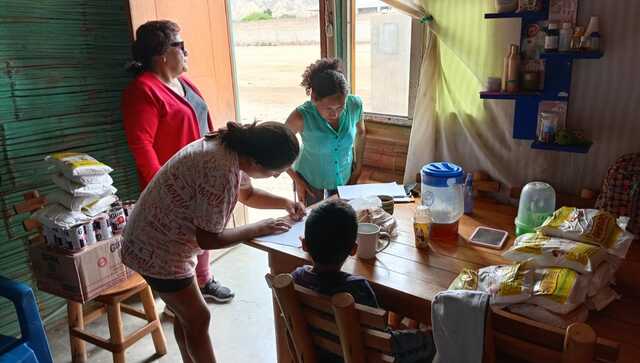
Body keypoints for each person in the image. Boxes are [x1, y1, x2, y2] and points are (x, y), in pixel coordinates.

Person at [122, 121, 305, 363]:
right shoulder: (220, 170)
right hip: (158, 249)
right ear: (257, 162)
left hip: (154, 237)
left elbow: (248, 194)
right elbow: (208, 238)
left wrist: (285, 203)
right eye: (275, 172)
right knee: (198, 318)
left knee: (185, 315)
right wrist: (259, 227)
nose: (276, 177)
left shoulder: (234, 148)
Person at [121, 20, 233, 304]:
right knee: (183, 238)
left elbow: (203, 119)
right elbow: (141, 144)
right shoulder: (143, 90)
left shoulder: (184, 82)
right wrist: (161, 187)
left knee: (205, 225)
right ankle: (182, 294)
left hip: (200, 172)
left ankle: (204, 280)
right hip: (173, 182)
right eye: (180, 46)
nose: (186, 52)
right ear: (161, 53)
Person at [292, 200, 435, 363]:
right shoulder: (357, 289)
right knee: (432, 341)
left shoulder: (296, 279)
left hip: (320, 355)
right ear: (354, 249)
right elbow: (382, 343)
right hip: (362, 357)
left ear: (304, 245)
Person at [285, 58, 367, 206]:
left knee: (340, 218)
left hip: (344, 175)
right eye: (329, 108)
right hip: (309, 180)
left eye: (340, 107)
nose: (335, 114)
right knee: (311, 221)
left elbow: (361, 133)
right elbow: (278, 149)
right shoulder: (301, 116)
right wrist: (297, 180)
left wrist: (359, 167)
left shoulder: (355, 105)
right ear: (314, 98)